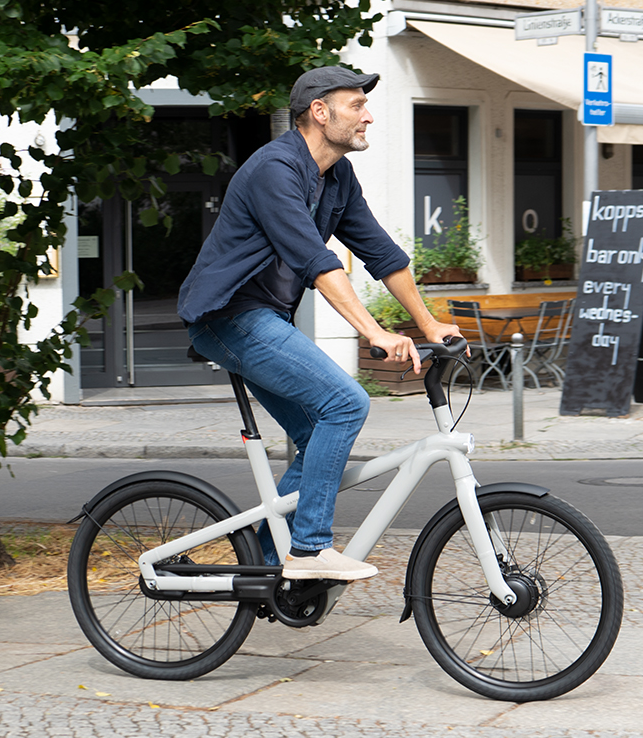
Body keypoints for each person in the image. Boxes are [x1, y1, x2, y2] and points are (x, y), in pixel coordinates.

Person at [177, 66, 462, 582]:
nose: (368, 116)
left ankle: (266, 566)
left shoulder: (337, 176)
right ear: (319, 111)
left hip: (265, 318)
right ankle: (308, 550)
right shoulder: (275, 169)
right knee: (345, 402)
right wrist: (373, 332)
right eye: (356, 105)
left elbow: (381, 252)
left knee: (317, 433)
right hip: (229, 317)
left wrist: (428, 322)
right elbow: (316, 261)